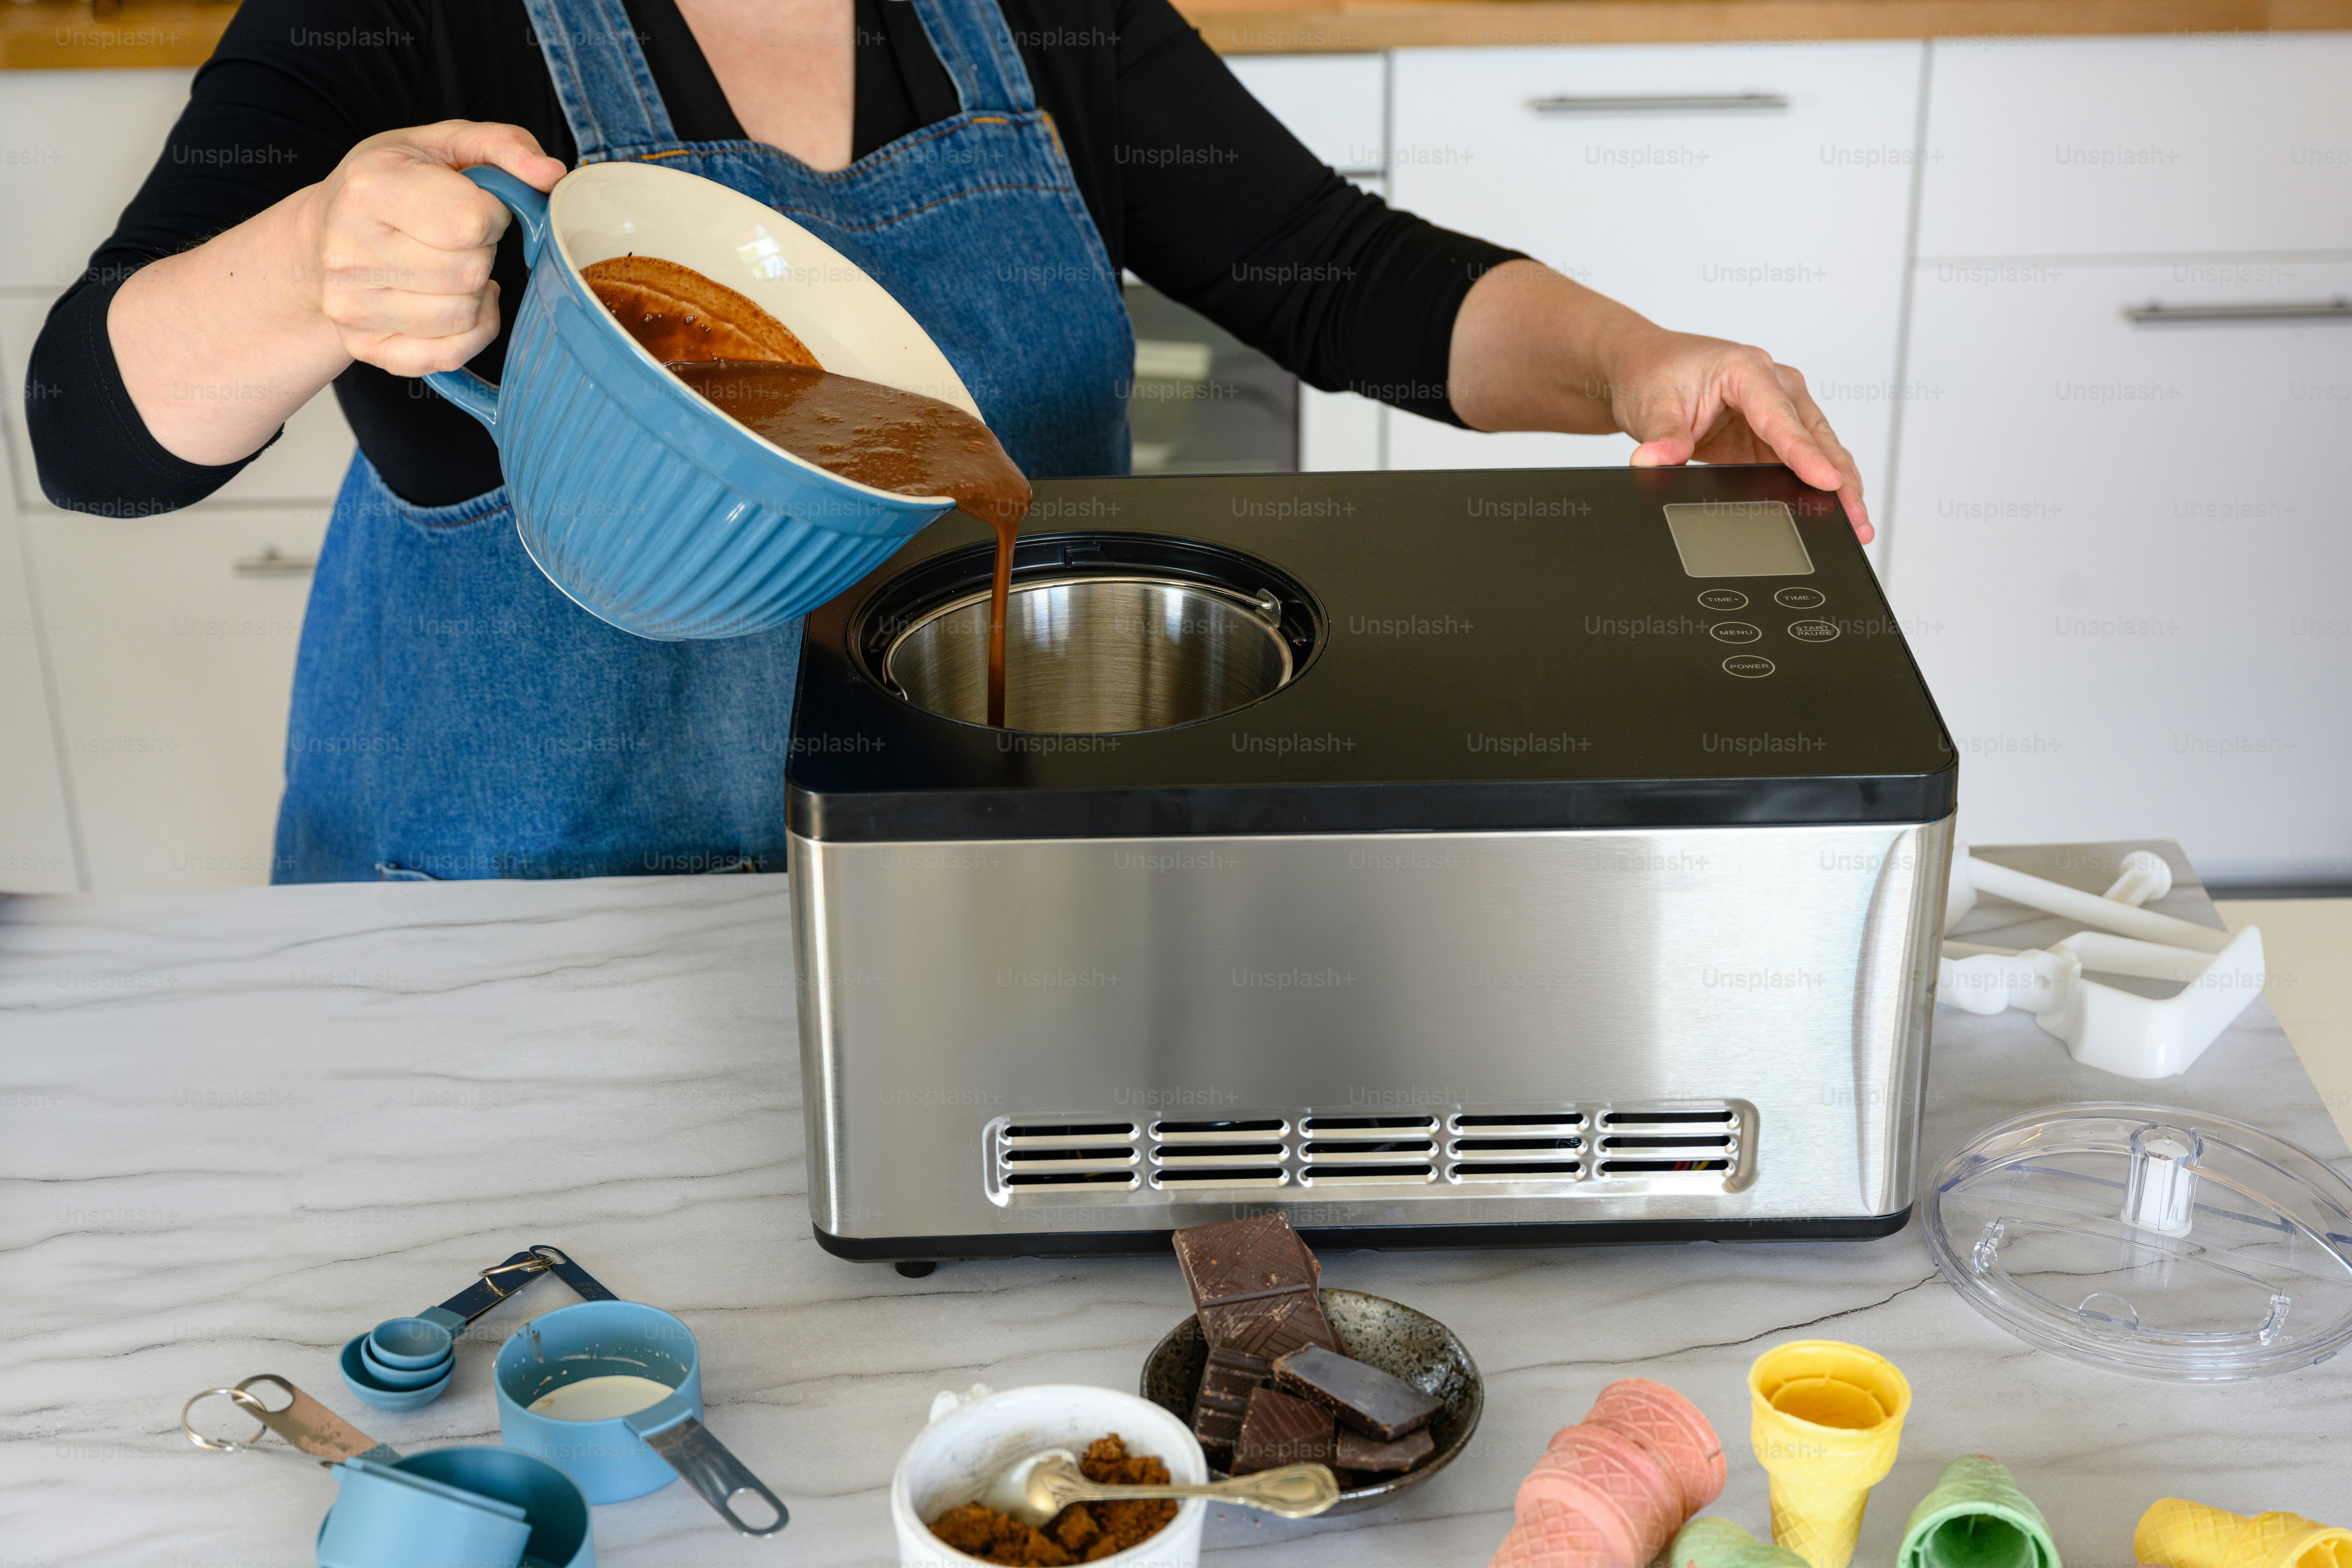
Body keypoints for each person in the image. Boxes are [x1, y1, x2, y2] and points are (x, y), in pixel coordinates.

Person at [28, 0, 1871, 883]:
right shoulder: (403, 23)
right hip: (503, 938)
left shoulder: (1027, 21)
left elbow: (1339, 269)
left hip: (951, 906)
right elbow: (92, 433)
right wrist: (305, 267)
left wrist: (1642, 361)